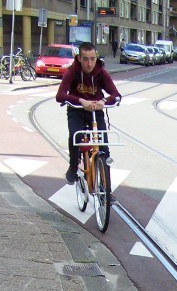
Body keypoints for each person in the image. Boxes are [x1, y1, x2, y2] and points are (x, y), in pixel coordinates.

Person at [56, 42, 121, 185]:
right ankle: (73, 167)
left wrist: (104, 101)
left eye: (93, 59)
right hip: (76, 111)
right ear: (79, 58)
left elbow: (115, 94)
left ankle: (106, 189)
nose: (89, 63)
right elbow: (60, 96)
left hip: (96, 112)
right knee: (76, 136)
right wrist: (80, 100)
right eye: (85, 59)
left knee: (103, 148)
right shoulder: (72, 72)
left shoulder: (101, 72)